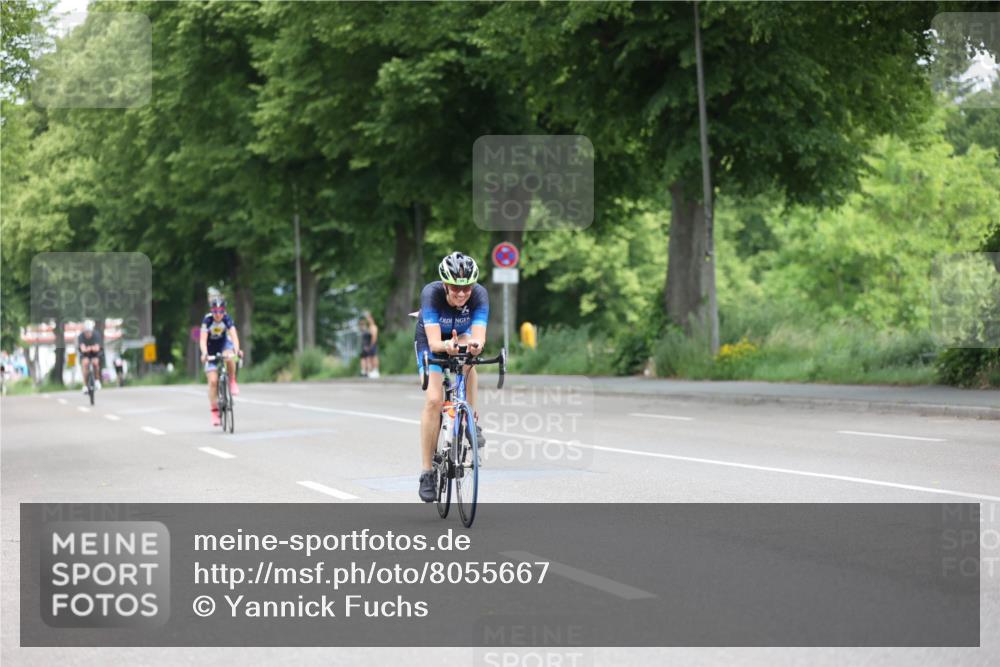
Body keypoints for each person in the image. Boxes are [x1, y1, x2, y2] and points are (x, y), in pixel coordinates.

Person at [414, 251, 489, 502]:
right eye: (455, 288)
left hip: (461, 336)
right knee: (435, 400)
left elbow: (479, 336)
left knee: (470, 359)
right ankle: (427, 472)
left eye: (466, 288)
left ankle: (470, 420)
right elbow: (436, 343)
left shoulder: (479, 295)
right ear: (445, 284)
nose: (461, 293)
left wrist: (475, 346)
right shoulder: (431, 294)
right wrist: (448, 346)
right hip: (431, 340)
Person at [199, 296, 242, 426]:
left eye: (221, 311)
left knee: (230, 357)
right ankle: (214, 411)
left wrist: (237, 350)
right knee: (213, 382)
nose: (218, 314)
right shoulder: (207, 320)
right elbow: (202, 339)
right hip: (210, 349)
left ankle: (232, 380)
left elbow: (234, 336)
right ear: (212, 311)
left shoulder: (227, 319)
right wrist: (204, 353)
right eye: (215, 311)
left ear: (224, 311)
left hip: (224, 345)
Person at [77, 320, 103, 393]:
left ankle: (97, 380)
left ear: (92, 331)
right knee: (85, 364)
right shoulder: (81, 336)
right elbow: (82, 349)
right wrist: (91, 348)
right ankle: (85, 385)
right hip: (85, 354)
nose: (88, 334)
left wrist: (88, 348)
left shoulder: (96, 335)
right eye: (86, 332)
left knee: (95, 363)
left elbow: (97, 348)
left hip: (94, 353)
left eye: (89, 332)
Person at [359, 311, 380, 379]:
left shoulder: (373, 327)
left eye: (368, 318)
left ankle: (376, 370)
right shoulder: (369, 327)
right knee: (370, 358)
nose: (367, 320)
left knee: (374, 357)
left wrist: (371, 345)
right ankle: (372, 371)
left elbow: (374, 337)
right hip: (369, 344)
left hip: (372, 344)